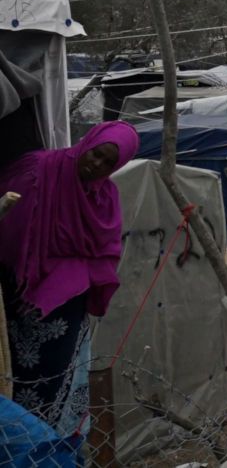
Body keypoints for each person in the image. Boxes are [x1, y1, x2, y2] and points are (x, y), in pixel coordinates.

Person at [0, 122, 140, 434]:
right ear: (87, 142)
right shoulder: (37, 171)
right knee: (14, 377)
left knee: (57, 379)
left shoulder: (104, 197)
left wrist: (74, 273)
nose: (96, 165)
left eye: (108, 164)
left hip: (66, 308)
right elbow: (9, 233)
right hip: (17, 298)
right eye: (96, 155)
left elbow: (106, 251)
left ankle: (49, 446)